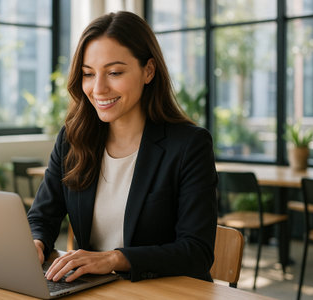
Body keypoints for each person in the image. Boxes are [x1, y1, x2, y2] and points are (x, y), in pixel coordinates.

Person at [27, 11, 217, 283]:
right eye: (88, 74)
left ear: (148, 71)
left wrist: (115, 258)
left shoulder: (189, 145)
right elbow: (42, 217)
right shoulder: (73, 139)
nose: (99, 88)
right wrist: (36, 243)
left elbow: (196, 251)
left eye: (114, 72)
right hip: (96, 289)